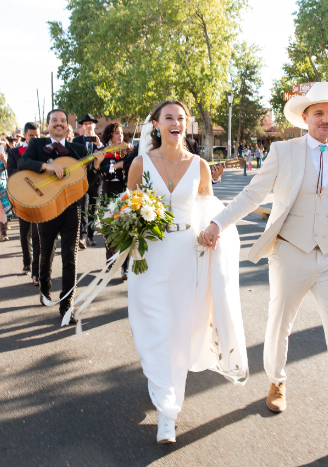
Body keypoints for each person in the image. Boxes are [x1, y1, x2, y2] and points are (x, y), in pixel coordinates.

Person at [200, 82, 328, 452]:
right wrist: (217, 223)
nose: (325, 119)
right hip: (290, 252)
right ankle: (276, 380)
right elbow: (252, 194)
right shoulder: (283, 151)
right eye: (318, 113)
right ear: (304, 118)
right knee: (279, 325)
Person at [127, 100, 248, 444]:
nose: (176, 122)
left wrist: (213, 235)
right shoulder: (140, 164)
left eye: (181, 118)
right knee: (151, 327)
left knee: (178, 331)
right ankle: (159, 382)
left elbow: (211, 211)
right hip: (148, 257)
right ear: (156, 124)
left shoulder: (200, 166)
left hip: (186, 257)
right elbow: (128, 207)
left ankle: (168, 413)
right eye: (169, 117)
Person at [18, 109, 105, 325]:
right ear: (47, 124)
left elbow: (85, 184)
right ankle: (45, 291)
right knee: (46, 254)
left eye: (63, 121)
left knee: (70, 258)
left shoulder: (77, 150)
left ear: (68, 125)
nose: (59, 124)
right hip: (46, 208)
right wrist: (47, 166)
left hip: (71, 210)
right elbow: (23, 164)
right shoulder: (37, 145)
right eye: (54, 120)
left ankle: (67, 306)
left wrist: (95, 167)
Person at [8, 122, 42, 286]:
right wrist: (29, 168)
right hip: (22, 196)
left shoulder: (43, 151)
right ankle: (27, 262)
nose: (34, 139)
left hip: (39, 196)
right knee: (24, 232)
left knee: (37, 234)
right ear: (25, 136)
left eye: (37, 135)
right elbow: (11, 172)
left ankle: (37, 270)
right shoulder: (15, 152)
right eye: (31, 136)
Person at [97, 121, 130, 279]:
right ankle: (110, 260)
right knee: (109, 229)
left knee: (124, 230)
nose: (120, 136)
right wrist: (116, 166)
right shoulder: (102, 151)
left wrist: (128, 158)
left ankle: (125, 266)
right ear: (110, 135)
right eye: (117, 133)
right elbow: (100, 171)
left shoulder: (127, 151)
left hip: (124, 193)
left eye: (122, 133)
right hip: (108, 192)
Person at [73, 114, 105, 249]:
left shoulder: (99, 141)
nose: (88, 126)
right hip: (82, 180)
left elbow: (105, 156)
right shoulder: (77, 140)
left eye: (90, 123)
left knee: (93, 208)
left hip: (96, 180)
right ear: (82, 126)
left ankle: (90, 236)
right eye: (85, 124)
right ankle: (83, 237)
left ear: (94, 125)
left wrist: (100, 145)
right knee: (83, 208)